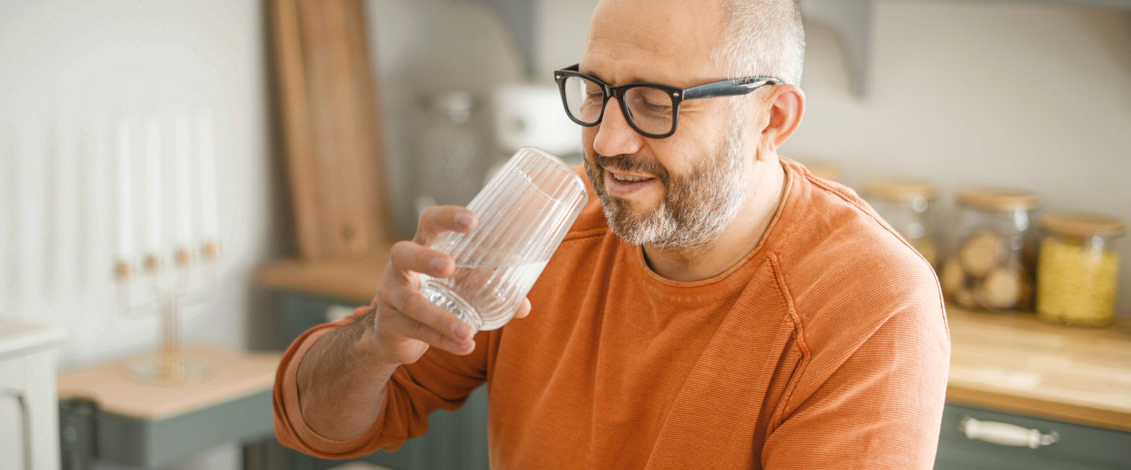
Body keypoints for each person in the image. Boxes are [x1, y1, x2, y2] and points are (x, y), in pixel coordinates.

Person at [273, 0, 950, 468]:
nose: (607, 140)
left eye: (657, 104)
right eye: (596, 91)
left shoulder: (870, 302)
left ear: (771, 119)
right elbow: (313, 426)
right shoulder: (549, 222)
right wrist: (375, 342)